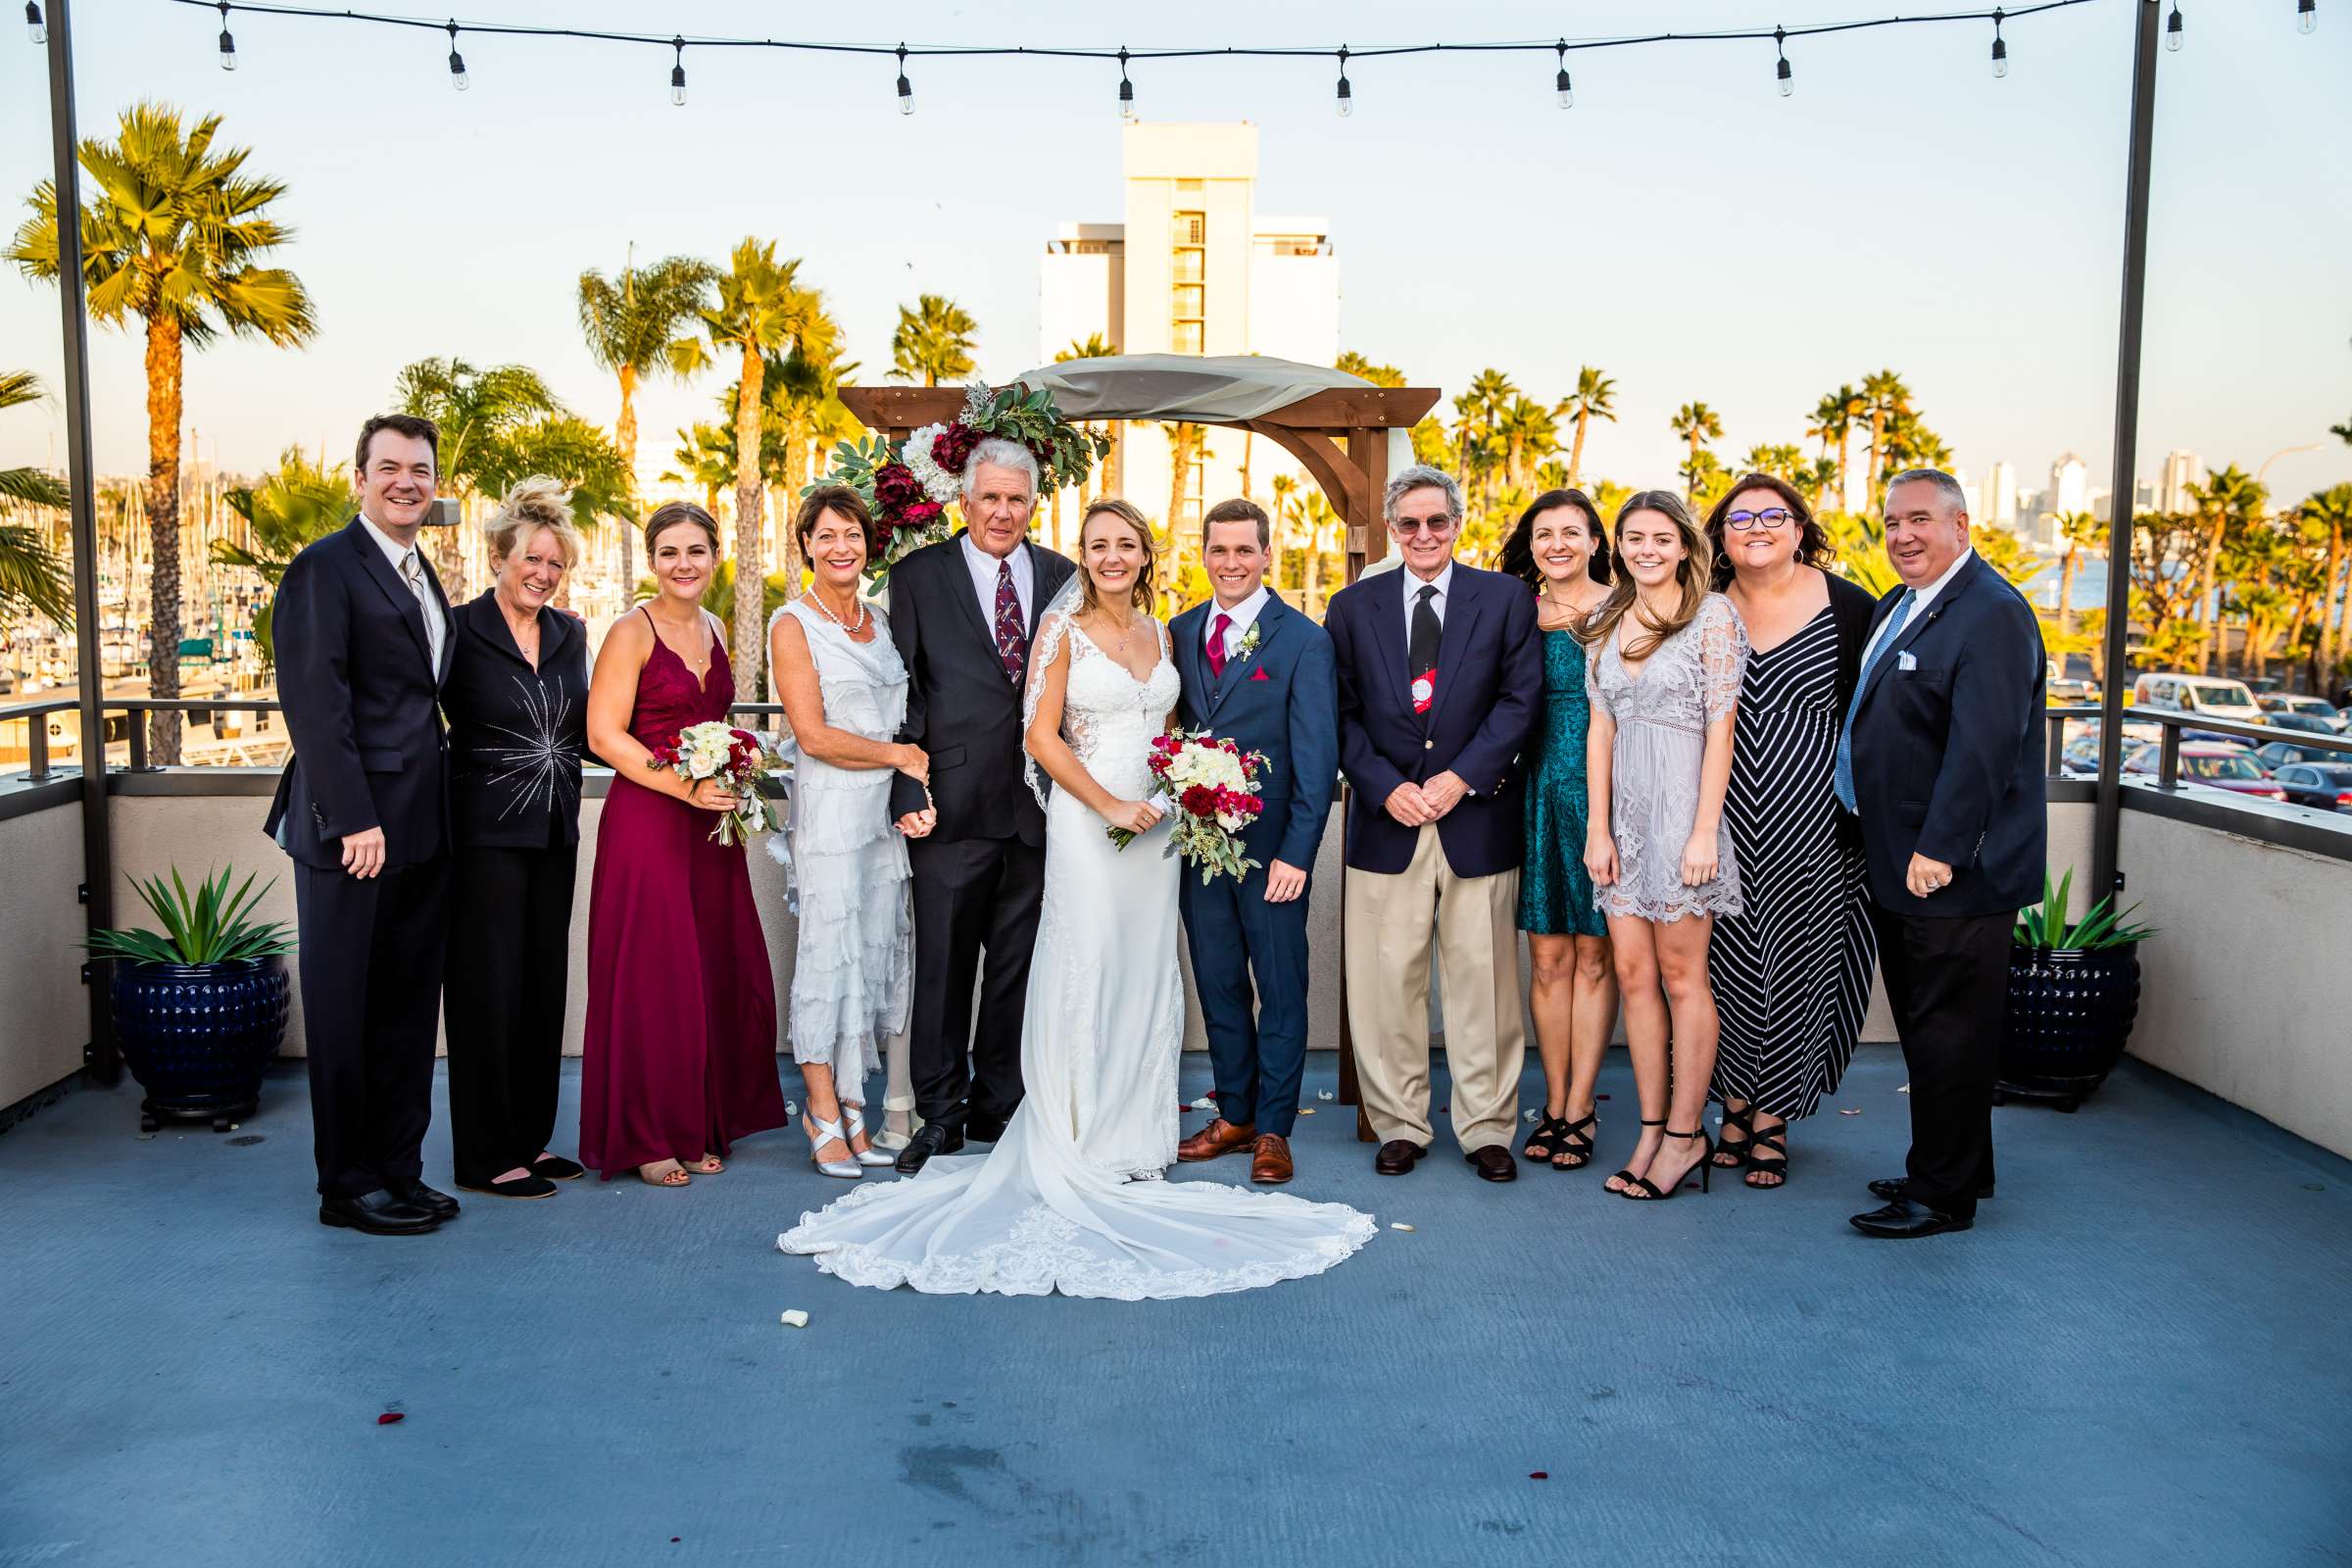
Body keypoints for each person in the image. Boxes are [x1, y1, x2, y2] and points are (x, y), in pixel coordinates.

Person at [777, 499, 1376, 1298]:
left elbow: (1173, 735)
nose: (1112, 556)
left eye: (1126, 543)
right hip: (1091, 824)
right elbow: (1040, 736)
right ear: (1083, 558)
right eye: (1098, 545)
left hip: (1159, 831)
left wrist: (1186, 791)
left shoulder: (1167, 633)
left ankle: (1137, 1130)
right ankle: (1079, 1132)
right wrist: (1107, 804)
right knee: (1085, 962)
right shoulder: (1062, 630)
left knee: (1143, 970)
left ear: (1146, 552)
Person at [268, 413, 459, 1235]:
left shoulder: (422, 573)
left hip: (423, 828)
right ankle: (346, 1185)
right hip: (356, 833)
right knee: (348, 1008)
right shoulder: (325, 568)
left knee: (408, 1010)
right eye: (390, 467)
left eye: (419, 469)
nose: (405, 481)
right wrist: (353, 820)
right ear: (360, 477)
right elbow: (317, 705)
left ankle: (398, 1169)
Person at [1842, 468, 2046, 1239]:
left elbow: (1986, 748)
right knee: (1934, 1031)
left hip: (1950, 872)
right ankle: (1957, 1166)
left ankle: (1941, 1196)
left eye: (1921, 520)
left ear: (1962, 525)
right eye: (1893, 523)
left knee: (1950, 1034)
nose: (1903, 536)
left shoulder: (1991, 612)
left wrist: (1942, 849)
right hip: (1900, 860)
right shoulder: (1903, 605)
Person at [1326, 465, 1544, 1185]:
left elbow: (1520, 699)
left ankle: (1487, 1126)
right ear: (1393, 530)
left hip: (1475, 818)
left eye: (1437, 522)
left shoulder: (1507, 598)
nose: (1424, 535)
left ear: (1457, 524)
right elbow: (1343, 714)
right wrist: (1386, 788)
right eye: (1410, 524)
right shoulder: (1352, 608)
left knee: (1484, 983)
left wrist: (1459, 777)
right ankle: (1401, 1124)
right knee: (1389, 982)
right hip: (1388, 826)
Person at [882, 439, 1077, 1173]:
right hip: (947, 808)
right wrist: (907, 786)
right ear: (965, 501)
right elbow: (904, 690)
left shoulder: (1063, 577)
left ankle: (1001, 1107)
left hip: (1038, 808)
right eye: (989, 497)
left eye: (1016, 499)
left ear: (1034, 504)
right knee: (943, 966)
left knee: (1017, 972)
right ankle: (941, 1114)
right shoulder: (917, 576)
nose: (1002, 512)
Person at [579, 502, 788, 1186]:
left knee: (708, 969)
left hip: (709, 825)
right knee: (655, 975)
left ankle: (698, 1118)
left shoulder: (718, 626)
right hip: (649, 819)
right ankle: (648, 1135)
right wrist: (685, 787)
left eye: (696, 550)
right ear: (652, 560)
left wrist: (736, 770)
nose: (684, 564)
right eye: (669, 552)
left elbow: (718, 724)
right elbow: (605, 735)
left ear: (715, 553)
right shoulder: (630, 632)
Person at [1702, 473, 1881, 1189]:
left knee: (1802, 967)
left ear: (1800, 528)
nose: (1756, 526)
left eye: (1773, 515)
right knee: (1728, 969)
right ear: (1720, 535)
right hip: (1720, 821)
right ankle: (1734, 1105)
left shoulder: (1852, 609)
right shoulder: (1704, 607)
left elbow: (1878, 719)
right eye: (1740, 517)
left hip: (1817, 826)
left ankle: (1772, 1117)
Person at [1581, 491, 1748, 1202]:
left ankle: (1686, 1136)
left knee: (1684, 979)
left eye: (1660, 538)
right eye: (1633, 538)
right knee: (1635, 978)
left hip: (1685, 820)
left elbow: (1722, 728)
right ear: (1618, 546)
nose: (1646, 550)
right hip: (1624, 824)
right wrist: (1597, 828)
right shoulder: (1604, 620)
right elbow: (1601, 731)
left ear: (1684, 546)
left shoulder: (1712, 616)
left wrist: (1704, 830)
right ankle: (1650, 1128)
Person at [1168, 498, 1340, 1186]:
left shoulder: (1302, 639)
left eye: (1245, 550)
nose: (1231, 563)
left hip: (1272, 854)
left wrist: (1298, 853)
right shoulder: (1179, 632)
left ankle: (1273, 1127)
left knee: (1281, 986)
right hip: (1199, 848)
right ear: (1204, 554)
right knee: (1217, 984)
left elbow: (1316, 755)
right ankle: (1234, 1112)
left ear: (1266, 554)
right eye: (1219, 550)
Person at [439, 476, 591, 1200]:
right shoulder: (458, 630)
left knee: (540, 990)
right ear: (500, 555)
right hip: (482, 838)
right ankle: (483, 1153)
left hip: (556, 832)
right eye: (531, 558)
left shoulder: (571, 634)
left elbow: (590, 728)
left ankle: (529, 1140)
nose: (542, 573)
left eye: (555, 564)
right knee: (485, 993)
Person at [766, 485, 924, 1180]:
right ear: (805, 544)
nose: (840, 547)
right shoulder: (791, 624)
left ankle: (856, 1102)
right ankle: (821, 1107)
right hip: (830, 809)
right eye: (826, 535)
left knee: (872, 949)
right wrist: (899, 757)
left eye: (852, 535)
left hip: (879, 818)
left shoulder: (882, 621)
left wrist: (903, 778)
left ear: (869, 544)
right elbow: (812, 734)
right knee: (827, 953)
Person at [1495, 489, 1617, 1172]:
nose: (1558, 544)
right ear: (1532, 543)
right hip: (1532, 792)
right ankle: (1553, 1100)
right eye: (1545, 533)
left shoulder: (1624, 610)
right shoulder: (1513, 611)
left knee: (1595, 954)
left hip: (1602, 794)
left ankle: (1581, 1109)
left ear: (1597, 541)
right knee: (1546, 957)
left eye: (1572, 531)